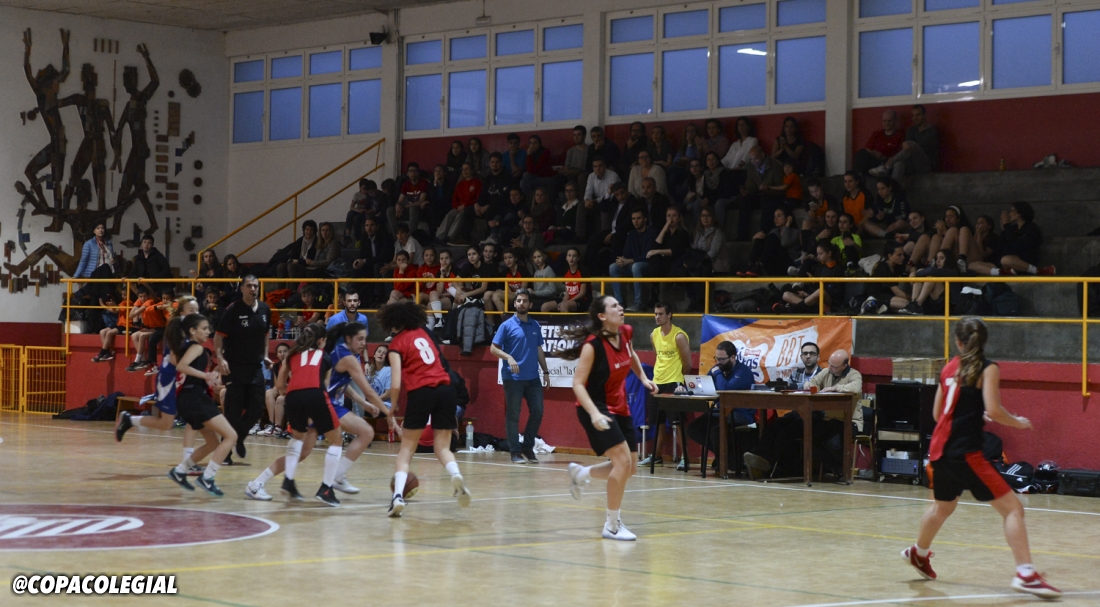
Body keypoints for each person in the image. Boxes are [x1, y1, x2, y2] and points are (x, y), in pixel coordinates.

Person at [903, 318, 1060, 599]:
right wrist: (1017, 422)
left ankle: (919, 553)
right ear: (984, 341)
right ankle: (1026, 574)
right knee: (1013, 510)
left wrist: (972, 413)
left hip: (939, 452)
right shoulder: (988, 368)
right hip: (965, 452)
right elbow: (995, 410)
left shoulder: (948, 367)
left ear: (958, 342)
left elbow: (939, 414)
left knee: (943, 507)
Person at [562, 295, 658, 541]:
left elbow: (631, 354)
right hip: (595, 407)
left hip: (620, 406)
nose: (620, 307)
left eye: (620, 304)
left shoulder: (625, 332)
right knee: (622, 463)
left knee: (630, 468)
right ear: (602, 316)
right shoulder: (592, 346)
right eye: (614, 306)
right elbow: (577, 384)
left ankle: (581, 474)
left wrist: (643, 378)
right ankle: (612, 525)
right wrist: (594, 413)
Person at [380, 302, 471, 517]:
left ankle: (397, 497)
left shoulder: (396, 344)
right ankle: (456, 476)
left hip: (421, 391)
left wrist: (392, 408)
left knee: (406, 450)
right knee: (442, 448)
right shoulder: (426, 333)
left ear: (391, 323)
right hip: (446, 389)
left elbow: (395, 384)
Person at [744, 349, 862, 480]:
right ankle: (763, 462)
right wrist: (809, 385)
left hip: (848, 421)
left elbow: (855, 388)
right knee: (800, 433)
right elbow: (812, 382)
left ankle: (839, 468)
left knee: (817, 437)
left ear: (844, 366)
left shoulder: (854, 374)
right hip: (828, 419)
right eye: (829, 364)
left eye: (834, 366)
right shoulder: (826, 372)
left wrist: (836, 388)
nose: (830, 368)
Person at [164, 314, 236, 496]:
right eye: (204, 328)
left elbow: (175, 363)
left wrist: (206, 380)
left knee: (212, 442)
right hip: (194, 398)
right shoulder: (196, 347)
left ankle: (180, 471)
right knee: (231, 436)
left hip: (188, 398)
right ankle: (207, 478)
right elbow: (181, 366)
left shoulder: (184, 347)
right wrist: (205, 376)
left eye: (208, 328)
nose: (208, 332)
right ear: (192, 330)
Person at [215, 275, 271, 462]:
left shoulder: (264, 309)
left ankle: (238, 436)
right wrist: (220, 358)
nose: (253, 289)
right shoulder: (233, 310)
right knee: (233, 410)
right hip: (235, 367)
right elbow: (218, 337)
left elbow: (265, 335)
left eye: (256, 286)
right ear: (242, 288)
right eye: (249, 286)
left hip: (255, 367)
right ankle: (225, 451)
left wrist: (265, 355)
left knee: (257, 408)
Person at [491, 289, 551, 464]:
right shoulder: (506, 325)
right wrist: (508, 358)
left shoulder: (535, 325)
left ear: (530, 304)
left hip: (533, 378)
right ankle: (515, 452)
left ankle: (527, 447)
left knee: (538, 411)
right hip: (513, 379)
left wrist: (546, 372)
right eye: (518, 300)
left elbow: (539, 349)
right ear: (514, 303)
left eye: (525, 301)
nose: (521, 303)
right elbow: (493, 348)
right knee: (513, 416)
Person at [638, 302, 693, 469]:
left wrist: (679, 380)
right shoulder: (653, 334)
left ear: (669, 315)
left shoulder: (679, 336)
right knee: (658, 422)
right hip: (657, 383)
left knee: (678, 422)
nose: (657, 317)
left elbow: (688, 363)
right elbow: (657, 358)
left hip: (674, 383)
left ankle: (685, 458)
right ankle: (656, 456)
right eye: (655, 314)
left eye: (660, 314)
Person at [685, 341, 754, 465]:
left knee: (716, 431)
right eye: (717, 359)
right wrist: (686, 389)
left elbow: (725, 390)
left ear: (732, 357)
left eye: (722, 359)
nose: (718, 362)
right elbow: (703, 384)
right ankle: (726, 457)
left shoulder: (743, 372)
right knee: (693, 429)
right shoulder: (718, 368)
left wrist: (717, 373)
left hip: (739, 413)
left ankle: (725, 460)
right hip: (719, 412)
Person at [968, 202, 1054, 276]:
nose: (1010, 214)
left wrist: (1006, 226)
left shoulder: (1031, 228)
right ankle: (1001, 272)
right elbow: (999, 246)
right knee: (972, 265)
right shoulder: (1012, 228)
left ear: (1020, 213)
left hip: (1021, 262)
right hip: (1004, 265)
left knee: (1006, 260)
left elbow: (1019, 247)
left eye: (1012, 211)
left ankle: (1038, 271)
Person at [609, 208, 656, 309]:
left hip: (648, 265)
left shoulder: (651, 233)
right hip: (634, 264)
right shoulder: (631, 234)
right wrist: (622, 259)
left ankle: (638, 303)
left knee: (636, 266)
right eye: (633, 219)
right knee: (613, 267)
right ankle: (619, 303)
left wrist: (629, 260)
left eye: (638, 218)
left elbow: (648, 255)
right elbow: (627, 253)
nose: (636, 221)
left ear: (645, 219)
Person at [878, 104, 938, 179]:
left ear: (924, 115)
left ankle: (887, 165)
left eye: (918, 115)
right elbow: (906, 150)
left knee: (912, 145)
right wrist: (905, 144)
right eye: (913, 116)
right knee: (898, 164)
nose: (915, 118)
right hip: (911, 164)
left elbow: (915, 148)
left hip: (925, 166)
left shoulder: (931, 131)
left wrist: (906, 144)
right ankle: (893, 186)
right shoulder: (911, 130)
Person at [739, 146, 786, 241]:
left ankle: (763, 233)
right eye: (751, 160)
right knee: (744, 201)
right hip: (759, 195)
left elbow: (780, 188)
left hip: (773, 196)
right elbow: (751, 186)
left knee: (767, 201)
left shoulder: (775, 166)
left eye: (756, 159)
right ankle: (742, 235)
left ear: (762, 155)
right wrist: (746, 191)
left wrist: (767, 189)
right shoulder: (751, 167)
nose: (754, 162)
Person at [899, 249, 959, 316]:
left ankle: (918, 304)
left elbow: (931, 270)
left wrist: (915, 274)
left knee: (930, 277)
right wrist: (916, 273)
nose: (938, 261)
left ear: (948, 259)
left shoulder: (952, 271)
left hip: (947, 306)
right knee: (921, 273)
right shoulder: (937, 270)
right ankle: (913, 304)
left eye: (942, 258)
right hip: (932, 304)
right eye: (937, 258)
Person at [743, 207, 800, 277]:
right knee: (761, 238)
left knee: (772, 237)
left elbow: (784, 243)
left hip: (787, 265)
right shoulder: (774, 231)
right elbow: (766, 248)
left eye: (779, 216)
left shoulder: (795, 232)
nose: (775, 219)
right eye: (775, 217)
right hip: (774, 264)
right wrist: (754, 238)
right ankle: (751, 265)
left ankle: (759, 265)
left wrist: (787, 225)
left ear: (787, 218)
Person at [351, 216, 394, 304]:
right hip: (370, 265)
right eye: (366, 225)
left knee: (377, 266)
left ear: (377, 226)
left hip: (385, 264)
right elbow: (362, 254)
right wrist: (357, 261)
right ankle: (353, 296)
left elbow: (384, 257)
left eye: (371, 225)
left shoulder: (386, 237)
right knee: (356, 269)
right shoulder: (365, 238)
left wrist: (365, 261)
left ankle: (378, 298)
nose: (369, 228)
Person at [861, 241, 912, 315]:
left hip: (889, 296)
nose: (903, 257)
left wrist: (913, 273)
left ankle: (883, 309)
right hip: (878, 297)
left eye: (903, 254)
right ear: (890, 256)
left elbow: (911, 268)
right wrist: (915, 300)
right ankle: (873, 306)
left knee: (909, 307)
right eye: (899, 255)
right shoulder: (883, 268)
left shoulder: (897, 265)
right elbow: (898, 292)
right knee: (909, 305)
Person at [437, 162, 482, 245]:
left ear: (472, 170)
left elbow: (477, 199)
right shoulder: (460, 184)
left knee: (461, 215)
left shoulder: (477, 183)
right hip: (458, 207)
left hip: (469, 207)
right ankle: (439, 237)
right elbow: (454, 198)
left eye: (467, 169)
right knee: (450, 214)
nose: (464, 171)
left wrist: (464, 206)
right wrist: (456, 207)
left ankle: (450, 237)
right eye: (463, 170)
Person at [853, 109, 905, 177]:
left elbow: (900, 155)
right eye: (884, 121)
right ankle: (857, 176)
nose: (887, 123)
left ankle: (859, 176)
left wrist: (883, 157)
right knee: (861, 153)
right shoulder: (877, 134)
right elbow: (867, 149)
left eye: (889, 121)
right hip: (875, 161)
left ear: (895, 121)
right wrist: (874, 153)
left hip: (888, 163)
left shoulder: (900, 135)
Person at [274, 220, 317, 290]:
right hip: (298, 263)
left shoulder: (317, 242)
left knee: (292, 266)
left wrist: (298, 261)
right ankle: (280, 291)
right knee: (280, 266)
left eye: (311, 230)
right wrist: (292, 259)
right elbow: (293, 253)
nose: (309, 232)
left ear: (314, 231)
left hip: (308, 267)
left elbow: (311, 259)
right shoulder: (300, 240)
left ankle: (292, 291)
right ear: (304, 230)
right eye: (307, 229)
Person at [543, 247, 588, 313]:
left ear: (578, 258)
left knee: (564, 306)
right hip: (569, 300)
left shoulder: (583, 271)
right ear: (566, 258)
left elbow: (582, 294)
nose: (571, 258)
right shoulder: (565, 272)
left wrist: (567, 302)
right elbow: (567, 293)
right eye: (569, 255)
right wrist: (563, 302)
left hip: (581, 301)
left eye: (574, 256)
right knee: (545, 306)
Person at [391, 162, 429, 235]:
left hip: (420, 210)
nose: (413, 173)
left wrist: (406, 206)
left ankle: (411, 236)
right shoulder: (406, 184)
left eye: (415, 171)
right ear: (407, 174)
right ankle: (396, 236)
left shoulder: (423, 182)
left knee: (413, 208)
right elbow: (400, 200)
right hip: (407, 209)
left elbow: (421, 201)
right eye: (411, 171)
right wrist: (397, 205)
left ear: (418, 173)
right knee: (390, 210)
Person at [428, 249, 458, 329]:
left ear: (451, 259)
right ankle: (438, 321)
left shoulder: (456, 271)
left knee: (430, 305)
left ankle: (432, 327)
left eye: (446, 258)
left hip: (454, 298)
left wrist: (444, 295)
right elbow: (439, 291)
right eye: (442, 259)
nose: (444, 261)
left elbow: (458, 290)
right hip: (443, 297)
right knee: (432, 294)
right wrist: (442, 275)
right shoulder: (439, 273)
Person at [521, 134, 556, 198]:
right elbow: (529, 169)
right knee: (524, 178)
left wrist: (529, 155)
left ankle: (527, 199)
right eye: (531, 143)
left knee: (524, 181)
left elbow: (536, 169)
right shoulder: (530, 153)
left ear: (539, 144)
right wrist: (529, 155)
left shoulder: (546, 152)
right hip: (534, 177)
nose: (532, 145)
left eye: (535, 143)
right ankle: (529, 200)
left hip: (545, 177)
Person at [558, 125, 588, 191]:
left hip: (582, 173)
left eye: (579, 135)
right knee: (559, 177)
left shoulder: (589, 150)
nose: (576, 137)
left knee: (575, 177)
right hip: (571, 173)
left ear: (584, 136)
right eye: (574, 135)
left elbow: (587, 168)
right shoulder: (570, 151)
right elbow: (567, 166)